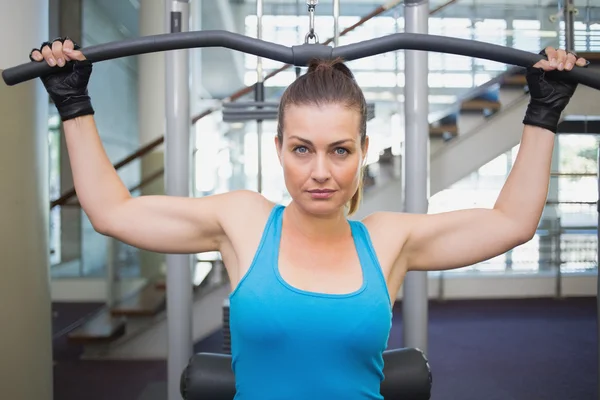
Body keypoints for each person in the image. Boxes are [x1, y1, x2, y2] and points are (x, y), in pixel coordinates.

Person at [29, 38, 588, 399]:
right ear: (278, 148)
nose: (320, 172)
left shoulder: (391, 238)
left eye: (339, 150)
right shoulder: (242, 221)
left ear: (364, 149)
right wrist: (72, 104)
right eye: (302, 149)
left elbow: (511, 222)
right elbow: (112, 211)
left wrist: (542, 115)